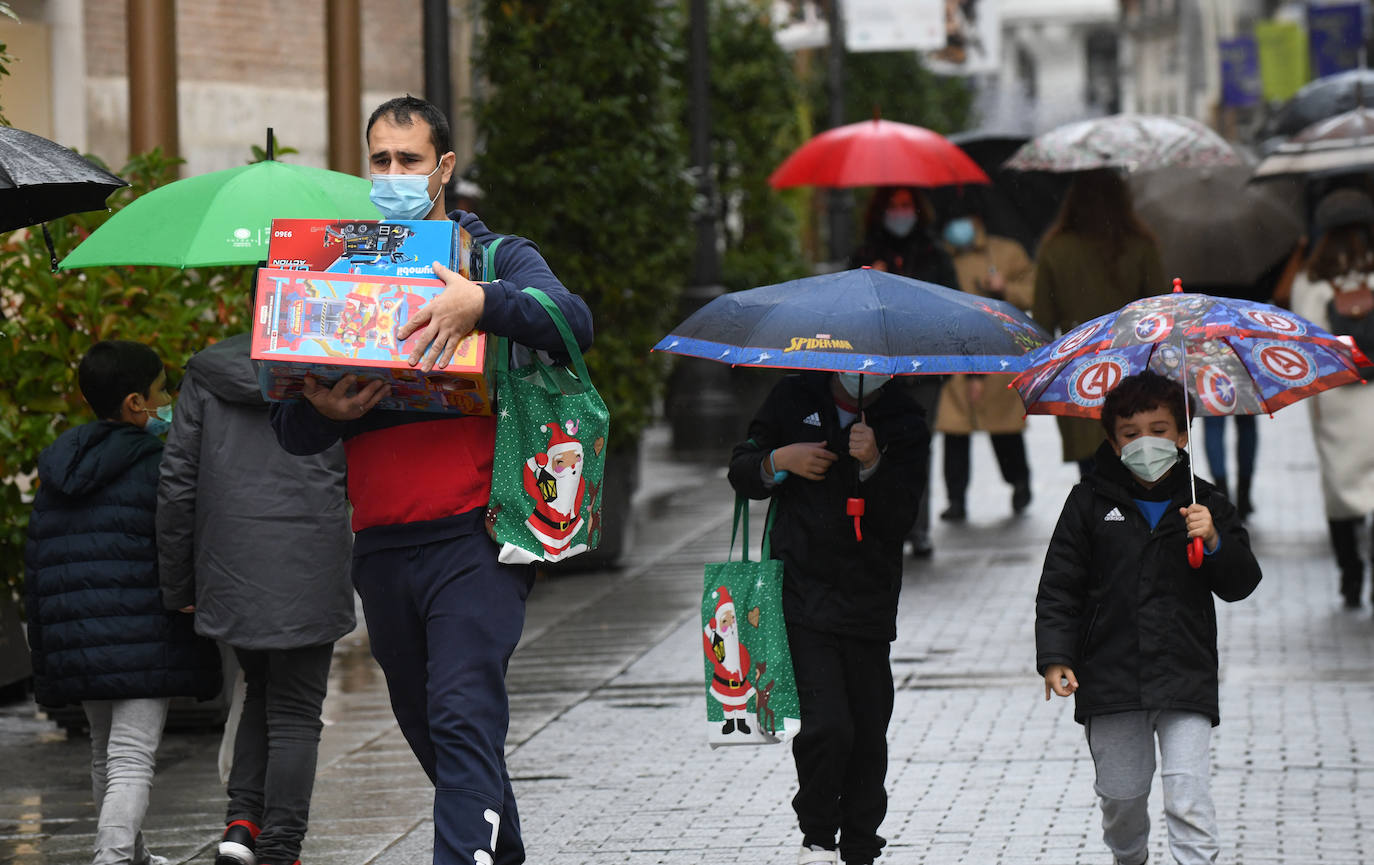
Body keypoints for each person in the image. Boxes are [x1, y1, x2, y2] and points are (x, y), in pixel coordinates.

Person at [269, 96, 592, 865]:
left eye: (408, 161)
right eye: (379, 160)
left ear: (443, 168)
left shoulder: (495, 256)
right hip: (381, 545)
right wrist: (328, 408)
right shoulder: (338, 268)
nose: (392, 175)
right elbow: (289, 430)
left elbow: (572, 319)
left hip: (475, 538)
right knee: (434, 731)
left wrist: (482, 303)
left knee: (461, 715)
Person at [1036, 370, 1261, 865]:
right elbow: (1059, 587)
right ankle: (1129, 856)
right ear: (1113, 442)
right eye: (1131, 434)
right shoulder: (1088, 503)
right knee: (1122, 797)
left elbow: (1241, 582)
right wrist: (1055, 657)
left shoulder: (1205, 502)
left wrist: (1216, 541)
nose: (1146, 444)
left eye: (1159, 431)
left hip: (1185, 674)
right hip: (1111, 679)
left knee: (1188, 797)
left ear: (1182, 435)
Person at [157, 320, 355, 865]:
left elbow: (177, 480)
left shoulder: (207, 370)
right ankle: (281, 847)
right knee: (294, 708)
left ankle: (241, 827)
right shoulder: (337, 359)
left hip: (230, 562)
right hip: (309, 557)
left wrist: (180, 581)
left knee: (261, 689)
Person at [24, 339, 222, 865]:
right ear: (136, 403)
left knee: (104, 752)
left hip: (78, 636)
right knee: (131, 758)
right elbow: (180, 542)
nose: (168, 402)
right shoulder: (159, 464)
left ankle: (131, 854)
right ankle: (111, 859)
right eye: (161, 391)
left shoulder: (60, 467)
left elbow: (37, 562)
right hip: (142, 635)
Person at [728, 370, 928, 865]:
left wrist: (874, 463)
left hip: (868, 600)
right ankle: (818, 830)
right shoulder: (793, 397)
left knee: (866, 728)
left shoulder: (904, 417)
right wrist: (781, 460)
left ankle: (862, 842)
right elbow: (742, 469)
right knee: (827, 726)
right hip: (801, 591)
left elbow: (903, 515)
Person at [1032, 169, 1165, 475]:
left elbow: (1041, 323)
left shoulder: (1056, 249)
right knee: (1136, 466)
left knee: (1091, 473)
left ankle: (1098, 523)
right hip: (1133, 372)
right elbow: (1160, 313)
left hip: (1079, 375)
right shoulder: (1140, 245)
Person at [850, 186, 955, 556]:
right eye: (893, 206)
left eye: (906, 205)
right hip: (879, 369)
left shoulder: (933, 254)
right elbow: (849, 309)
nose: (900, 213)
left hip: (924, 368)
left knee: (917, 447)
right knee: (874, 447)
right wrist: (870, 281)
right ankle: (881, 523)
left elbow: (950, 307)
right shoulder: (865, 255)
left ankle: (917, 526)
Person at [1289, 187, 1374, 609]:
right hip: (1372, 393)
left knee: (1340, 491)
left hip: (1336, 397)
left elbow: (1304, 339)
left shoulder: (1313, 279)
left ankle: (1351, 574)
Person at [934, 195, 1035, 521]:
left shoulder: (1006, 252)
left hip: (997, 352)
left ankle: (1019, 483)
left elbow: (1031, 290)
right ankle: (956, 498)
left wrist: (1005, 288)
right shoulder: (938, 257)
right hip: (952, 351)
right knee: (954, 431)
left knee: (1004, 429)